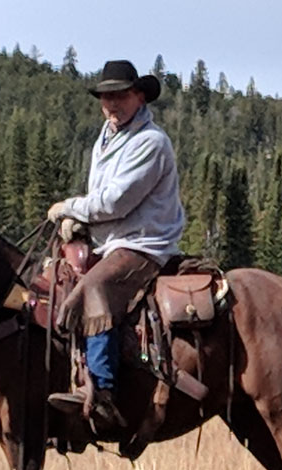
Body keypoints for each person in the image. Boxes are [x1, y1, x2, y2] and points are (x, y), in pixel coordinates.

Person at [47, 60, 185, 428]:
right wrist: (80, 222)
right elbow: (104, 198)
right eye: (106, 97)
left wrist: (70, 208)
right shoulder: (106, 138)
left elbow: (115, 201)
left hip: (144, 244)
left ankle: (102, 391)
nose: (112, 104)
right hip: (111, 241)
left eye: (120, 95)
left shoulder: (150, 142)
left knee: (95, 286)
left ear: (139, 97)